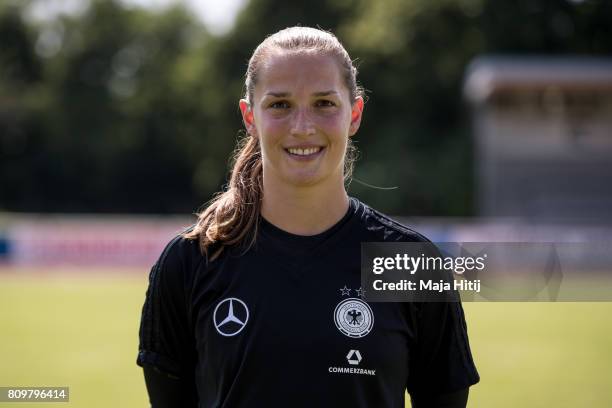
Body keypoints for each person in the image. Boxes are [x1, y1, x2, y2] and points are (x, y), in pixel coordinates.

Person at [137, 26, 479, 407]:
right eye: (280, 104)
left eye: (324, 103)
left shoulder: (410, 264)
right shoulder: (191, 261)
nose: (302, 127)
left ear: (355, 113)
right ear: (250, 117)